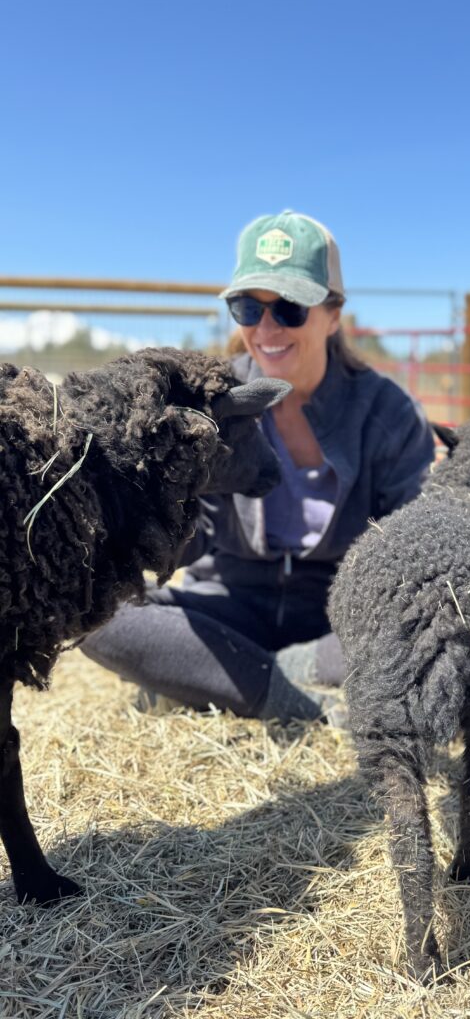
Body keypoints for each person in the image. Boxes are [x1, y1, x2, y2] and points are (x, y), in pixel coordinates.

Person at [81, 211, 435, 721]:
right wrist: (150, 515)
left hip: (343, 618)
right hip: (229, 605)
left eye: (290, 307)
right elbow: (184, 542)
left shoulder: (390, 415)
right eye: (247, 308)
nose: (266, 328)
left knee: (436, 617)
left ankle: (242, 676)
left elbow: (416, 557)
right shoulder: (207, 404)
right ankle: (291, 697)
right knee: (93, 606)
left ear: (334, 315)